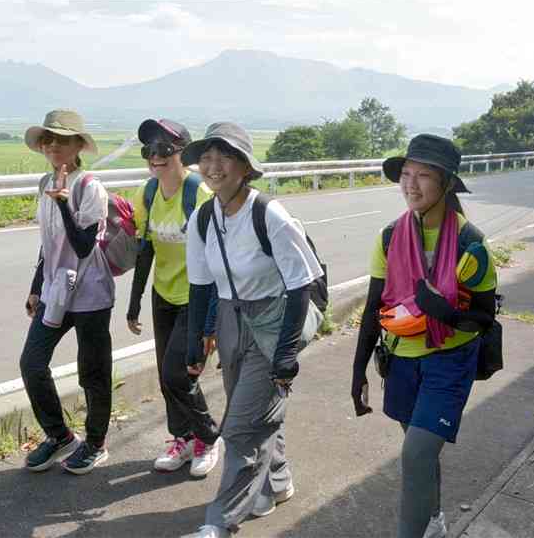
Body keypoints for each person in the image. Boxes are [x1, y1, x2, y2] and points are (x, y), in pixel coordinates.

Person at [351, 135, 498, 538]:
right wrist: (358, 371)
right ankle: (433, 519)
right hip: (401, 358)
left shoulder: (471, 244)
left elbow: (485, 317)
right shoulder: (388, 237)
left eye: (424, 176)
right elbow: (372, 307)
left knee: (415, 453)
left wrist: (446, 313)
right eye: (406, 174)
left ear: (446, 183)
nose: (411, 185)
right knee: (420, 453)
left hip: (450, 360)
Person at [182, 123, 324, 538]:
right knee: (258, 412)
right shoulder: (204, 218)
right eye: (206, 157)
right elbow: (201, 285)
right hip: (230, 319)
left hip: (275, 319)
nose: (213, 166)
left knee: (241, 427)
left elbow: (300, 285)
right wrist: (196, 342)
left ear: (245, 166)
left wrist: (285, 353)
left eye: (223, 156)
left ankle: (219, 524)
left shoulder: (268, 214)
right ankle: (276, 482)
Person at [127, 118, 222, 477]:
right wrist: (135, 302)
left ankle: (208, 437)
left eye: (164, 149)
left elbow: (216, 259)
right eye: (149, 150)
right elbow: (145, 250)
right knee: (167, 374)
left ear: (182, 151)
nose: (156, 156)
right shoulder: (147, 193)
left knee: (179, 374)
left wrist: (211, 321)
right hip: (163, 293)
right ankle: (181, 438)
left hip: (196, 297)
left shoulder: (198, 193)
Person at [20, 109, 114, 475]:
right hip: (55, 289)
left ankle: (95, 443)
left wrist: (62, 202)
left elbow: (83, 246)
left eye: (61, 139)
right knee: (32, 363)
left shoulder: (90, 186)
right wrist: (35, 286)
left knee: (92, 371)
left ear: (78, 145)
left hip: (90, 292)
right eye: (48, 139)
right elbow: (50, 243)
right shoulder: (46, 182)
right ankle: (60, 437)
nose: (53, 145)